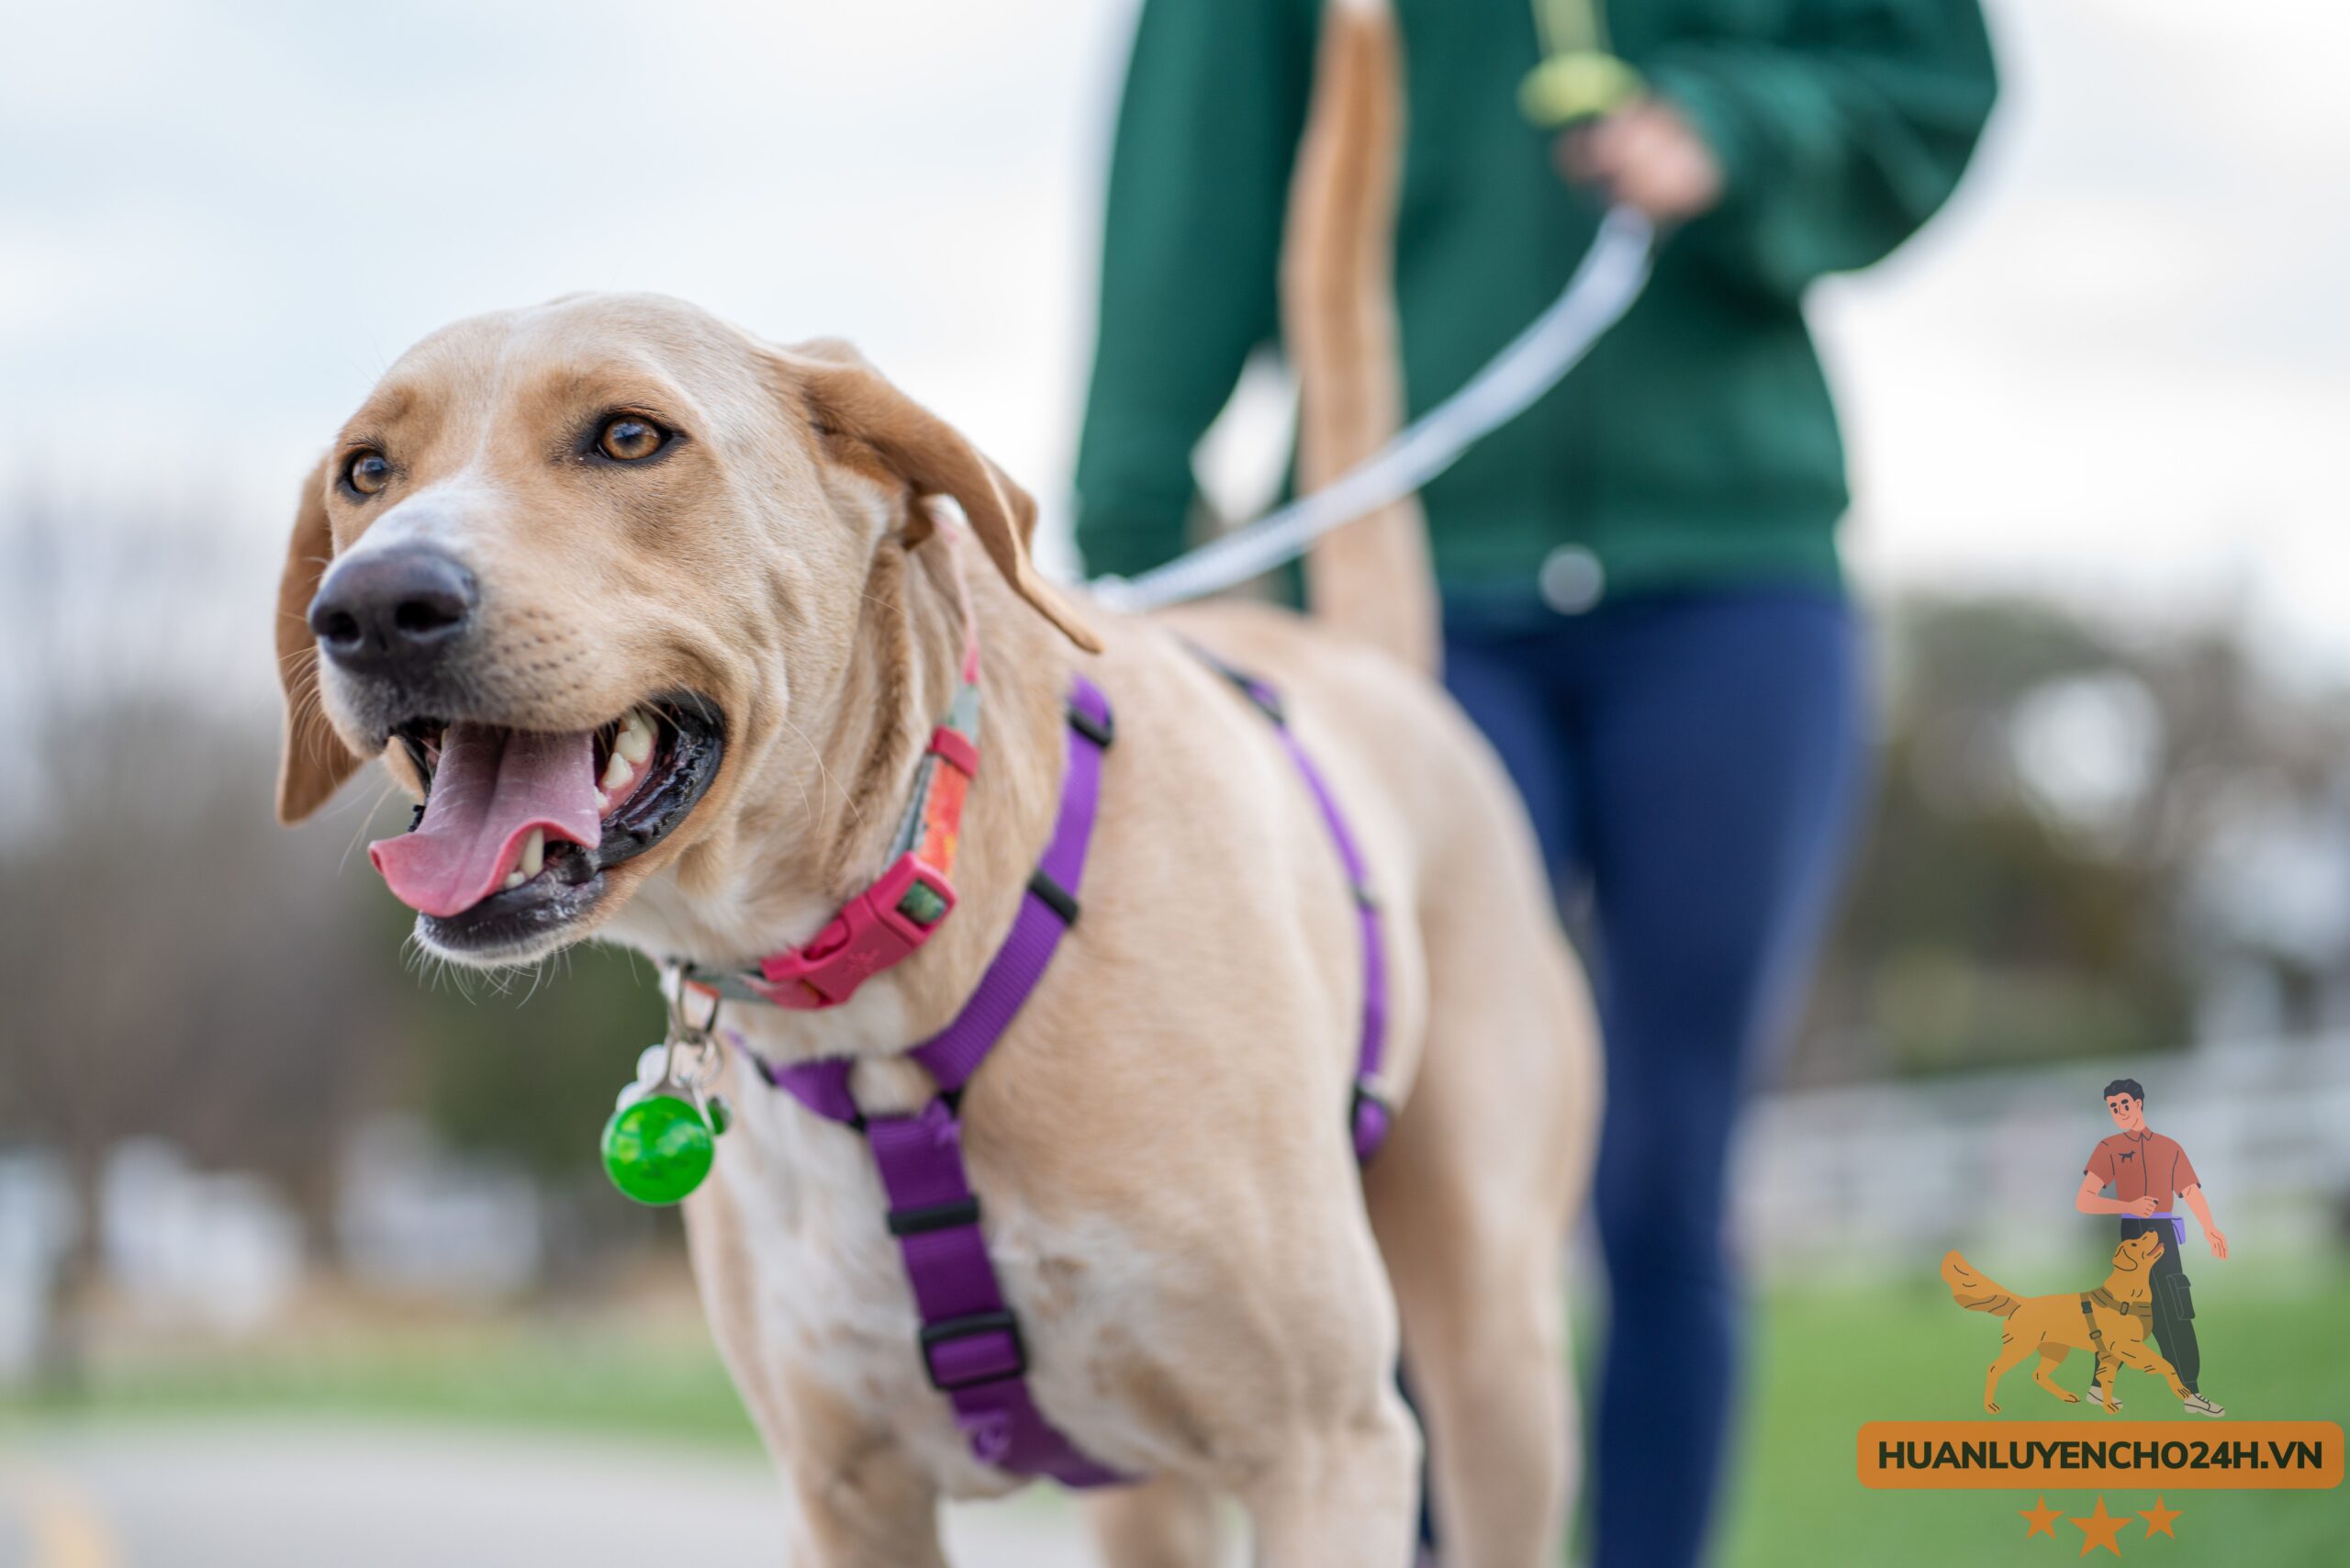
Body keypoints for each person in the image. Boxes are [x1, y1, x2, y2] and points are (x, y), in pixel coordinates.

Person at [1074, 1, 1997, 1561]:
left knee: (1668, 1172)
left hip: (1731, 577)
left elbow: (1930, 79)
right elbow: (1187, 197)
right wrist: (1138, 557)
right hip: (1392, 565)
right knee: (1407, 1165)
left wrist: (1741, 125)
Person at [2074, 1078, 2226, 1417]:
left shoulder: (2169, 1148)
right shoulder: (2108, 1148)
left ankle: (2191, 1390)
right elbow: (2084, 1199)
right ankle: (2100, 1386)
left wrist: (2210, 1227)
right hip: (2133, 1233)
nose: (2120, 1112)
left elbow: (2190, 1190)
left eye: (2125, 1104)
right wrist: (2126, 1205)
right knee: (2123, 1314)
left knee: (2175, 1309)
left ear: (2139, 1103)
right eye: (2113, 1108)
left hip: (2164, 1232)